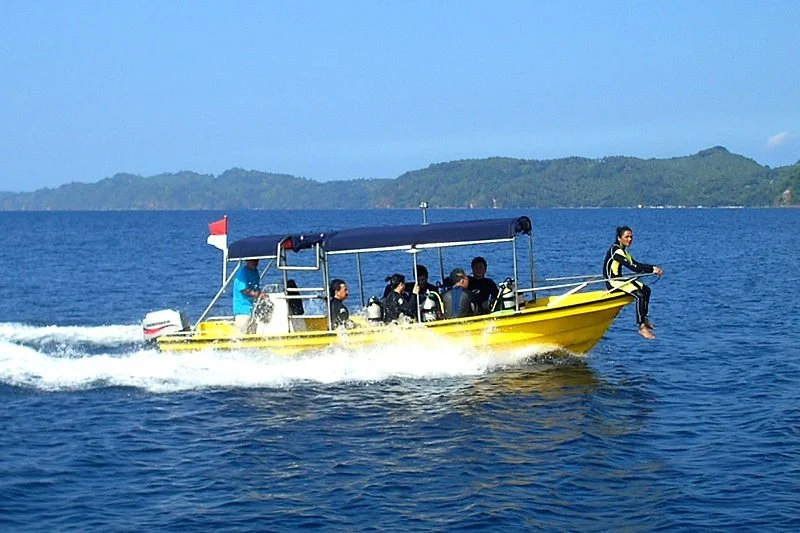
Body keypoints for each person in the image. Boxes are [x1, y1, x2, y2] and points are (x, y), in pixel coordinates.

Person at [603, 226, 664, 339]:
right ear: (619, 238)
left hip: (619, 280)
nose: (630, 239)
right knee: (640, 295)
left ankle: (644, 318)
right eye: (627, 237)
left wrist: (652, 268)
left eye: (631, 237)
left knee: (646, 290)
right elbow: (634, 267)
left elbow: (636, 263)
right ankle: (641, 328)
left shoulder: (623, 250)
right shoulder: (616, 251)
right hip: (613, 282)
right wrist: (652, 269)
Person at [233, 259, 264, 334]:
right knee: (242, 334)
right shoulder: (243, 272)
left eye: (257, 260)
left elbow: (256, 288)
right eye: (253, 260)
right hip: (243, 310)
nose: (255, 263)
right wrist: (259, 295)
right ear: (247, 261)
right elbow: (244, 290)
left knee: (253, 333)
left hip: (253, 310)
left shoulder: (255, 272)